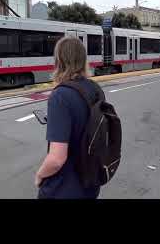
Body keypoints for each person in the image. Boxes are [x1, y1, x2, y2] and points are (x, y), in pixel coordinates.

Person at [35, 36, 102, 199]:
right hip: (90, 184)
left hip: (63, 189)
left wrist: (39, 175)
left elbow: (57, 159)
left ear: (59, 60)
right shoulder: (95, 89)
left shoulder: (60, 96)